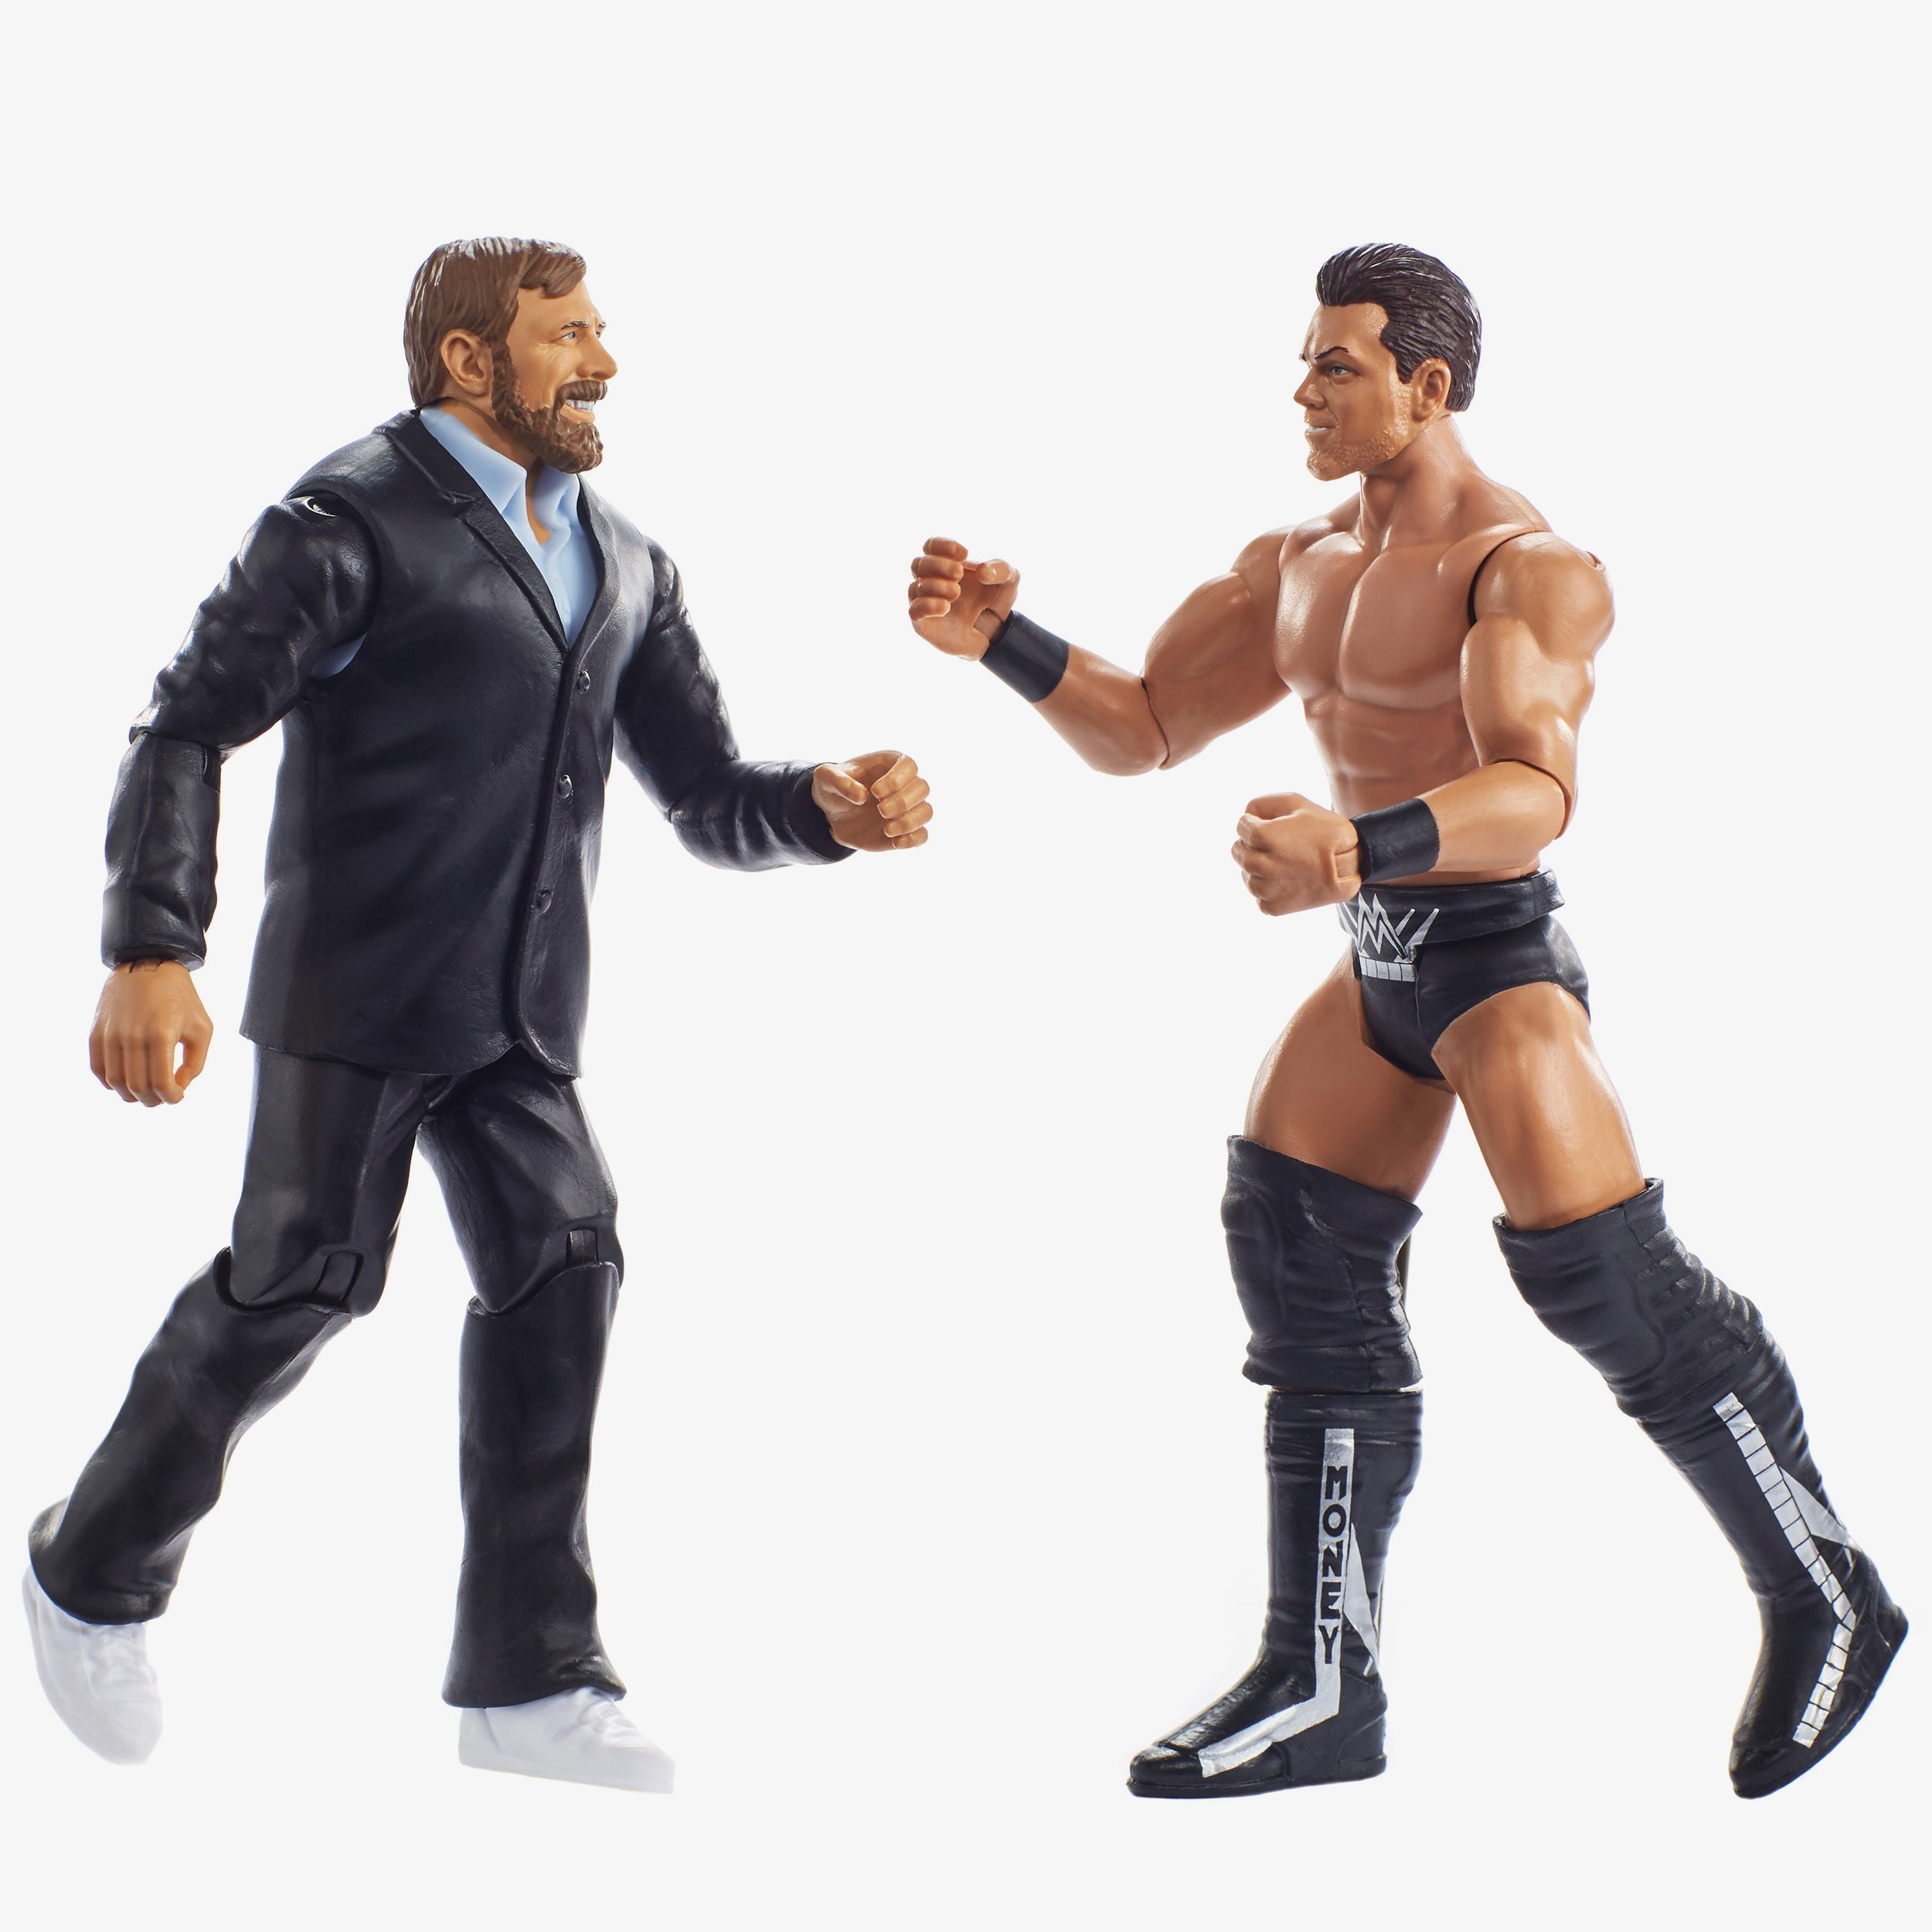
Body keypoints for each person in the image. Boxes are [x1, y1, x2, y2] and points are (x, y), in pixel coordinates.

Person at [903, 242, 1903, 1801]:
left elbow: (1535, 791)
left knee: (1608, 1285)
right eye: (1305, 360)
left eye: (1335, 365)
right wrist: (1005, 648)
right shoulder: (1296, 561)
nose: (1302, 391)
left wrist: (1355, 849)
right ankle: (1321, 1681)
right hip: (1376, 960)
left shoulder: (1527, 569)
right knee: (1296, 1253)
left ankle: (1822, 1585)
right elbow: (1148, 726)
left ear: (1425, 384)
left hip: (1493, 965)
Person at [26, 236, 933, 1793]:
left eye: (599, 332)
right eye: (567, 335)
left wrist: (823, 812)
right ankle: (89, 1569)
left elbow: (706, 794)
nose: (604, 363)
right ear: (467, 357)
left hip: (519, 1013)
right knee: (300, 1283)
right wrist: (152, 945)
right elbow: (184, 726)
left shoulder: (625, 561)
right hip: (362, 992)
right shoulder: (345, 521)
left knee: (566, 1258)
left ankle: (528, 1674)